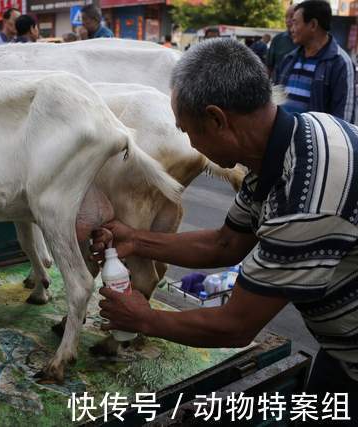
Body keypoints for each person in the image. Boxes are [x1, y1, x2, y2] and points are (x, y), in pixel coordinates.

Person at [91, 38, 358, 422]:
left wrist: (144, 319)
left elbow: (234, 326)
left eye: (187, 130)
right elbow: (225, 243)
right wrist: (136, 240)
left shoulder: (307, 198)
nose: (188, 141)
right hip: (341, 346)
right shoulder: (282, 148)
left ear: (217, 119)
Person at [275, 0, 355, 122]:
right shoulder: (289, 59)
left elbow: (344, 120)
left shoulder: (339, 63)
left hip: (317, 141)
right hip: (283, 139)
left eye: (296, 23)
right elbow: (275, 102)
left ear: (313, 25)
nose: (291, 29)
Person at [267, 3, 297, 81]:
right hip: (279, 87)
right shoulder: (277, 40)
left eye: (292, 16)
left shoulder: (306, 41)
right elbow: (269, 67)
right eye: (286, 17)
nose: (287, 20)